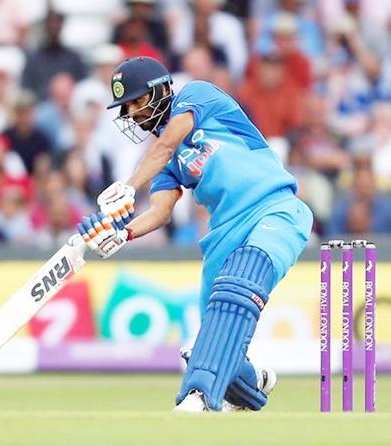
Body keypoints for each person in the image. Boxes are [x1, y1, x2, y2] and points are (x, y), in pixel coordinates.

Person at [77, 57, 313, 412]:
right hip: (223, 234)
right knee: (216, 341)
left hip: (274, 208)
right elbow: (158, 211)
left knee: (238, 289)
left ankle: (199, 395)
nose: (134, 113)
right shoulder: (163, 162)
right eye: (127, 108)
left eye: (138, 101)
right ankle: (255, 381)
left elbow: (167, 145)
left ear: (161, 91)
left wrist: (127, 187)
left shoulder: (197, 97)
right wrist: (121, 233)